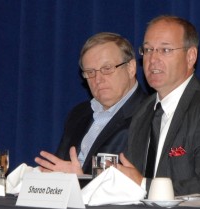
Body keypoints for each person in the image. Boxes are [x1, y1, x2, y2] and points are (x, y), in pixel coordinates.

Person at [117, 15, 200, 199]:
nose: (153, 59)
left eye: (165, 50)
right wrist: (83, 180)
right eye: (147, 50)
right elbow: (129, 177)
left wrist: (144, 185)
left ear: (191, 56)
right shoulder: (144, 111)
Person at [35, 32, 146, 174]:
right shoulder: (79, 114)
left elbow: (140, 182)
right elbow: (61, 166)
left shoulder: (149, 114)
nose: (98, 79)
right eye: (90, 72)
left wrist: (79, 181)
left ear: (131, 68)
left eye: (107, 69)